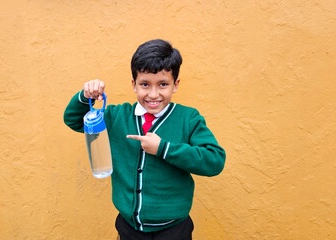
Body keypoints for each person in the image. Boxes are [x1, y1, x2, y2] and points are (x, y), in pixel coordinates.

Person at [63, 39, 226, 240]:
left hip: (174, 230)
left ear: (175, 85)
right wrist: (84, 96)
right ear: (134, 84)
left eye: (163, 84)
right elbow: (73, 120)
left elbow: (215, 160)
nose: (153, 94)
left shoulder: (188, 118)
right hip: (129, 229)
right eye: (145, 84)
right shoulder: (115, 117)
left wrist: (163, 148)